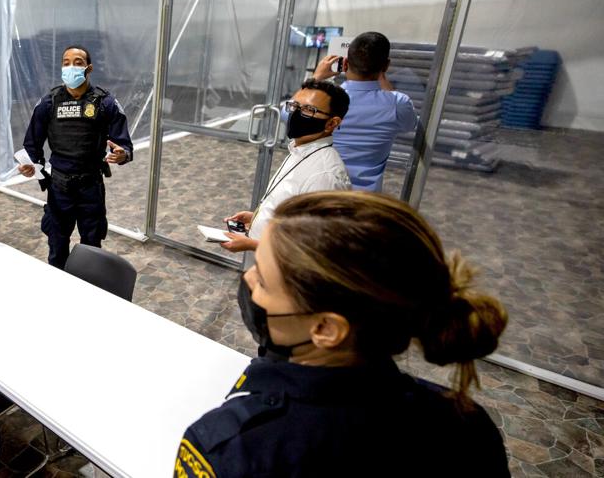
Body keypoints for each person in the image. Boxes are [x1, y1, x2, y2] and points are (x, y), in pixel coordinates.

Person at [177, 191, 510, 477]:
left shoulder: (232, 448)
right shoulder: (467, 424)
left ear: (326, 329)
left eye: (263, 280)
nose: (248, 280)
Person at [19, 45, 133, 268]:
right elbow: (32, 145)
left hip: (90, 186)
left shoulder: (105, 102)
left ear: (88, 68)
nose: (71, 66)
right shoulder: (48, 103)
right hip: (59, 188)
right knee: (57, 245)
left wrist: (122, 154)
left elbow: (123, 144)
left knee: (91, 247)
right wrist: (31, 166)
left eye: (78, 62)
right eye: (66, 62)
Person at [221, 79, 350, 254]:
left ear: (332, 123)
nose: (296, 114)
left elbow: (312, 249)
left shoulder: (325, 175)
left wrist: (252, 245)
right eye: (295, 106)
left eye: (308, 109)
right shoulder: (300, 149)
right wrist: (259, 218)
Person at [314, 31, 417, 192]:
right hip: (364, 198)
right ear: (386, 65)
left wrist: (315, 79)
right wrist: (382, 76)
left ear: (346, 62)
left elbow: (289, 115)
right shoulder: (398, 104)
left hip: (321, 189)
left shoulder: (325, 99)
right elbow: (409, 125)